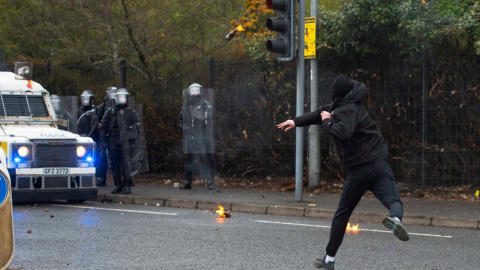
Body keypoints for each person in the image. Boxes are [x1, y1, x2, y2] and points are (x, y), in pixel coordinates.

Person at [277, 74, 409, 270]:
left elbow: (342, 131)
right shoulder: (352, 102)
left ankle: (329, 259)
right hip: (379, 162)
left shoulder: (344, 109)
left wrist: (327, 122)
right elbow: (319, 112)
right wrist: (296, 122)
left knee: (342, 214)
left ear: (336, 94)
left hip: (360, 169)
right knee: (393, 200)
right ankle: (396, 219)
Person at [100, 88, 142, 194]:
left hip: (126, 141)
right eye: (120, 97)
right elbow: (104, 127)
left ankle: (127, 184)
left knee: (126, 163)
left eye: (124, 97)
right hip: (114, 141)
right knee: (115, 163)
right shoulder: (110, 112)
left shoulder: (131, 112)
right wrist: (103, 142)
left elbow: (137, 127)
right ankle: (117, 184)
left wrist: (135, 140)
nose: (122, 99)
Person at [179, 83, 215, 190]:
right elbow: (181, 121)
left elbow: (209, 116)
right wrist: (186, 128)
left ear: (200, 91)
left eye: (197, 90)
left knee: (205, 158)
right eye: (193, 91)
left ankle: (210, 183)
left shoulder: (205, 104)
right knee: (189, 159)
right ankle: (187, 182)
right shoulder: (186, 106)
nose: (195, 93)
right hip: (190, 137)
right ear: (190, 92)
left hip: (202, 136)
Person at [91, 87, 117, 186]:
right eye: (111, 93)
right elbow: (96, 118)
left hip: (116, 135)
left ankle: (120, 180)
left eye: (114, 93)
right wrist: (99, 125)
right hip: (105, 136)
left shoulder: (120, 107)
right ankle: (101, 178)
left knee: (117, 158)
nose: (112, 94)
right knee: (102, 157)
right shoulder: (103, 107)